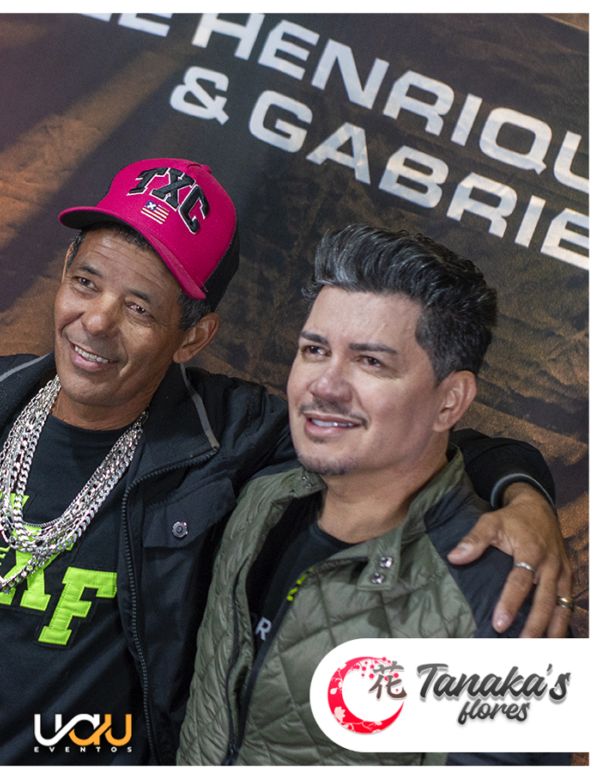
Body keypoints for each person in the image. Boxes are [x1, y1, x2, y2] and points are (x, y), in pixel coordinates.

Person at [0, 160, 570, 766]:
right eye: (85, 281)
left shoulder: (232, 443)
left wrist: (525, 495)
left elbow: (407, 437)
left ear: (193, 336)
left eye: (140, 307)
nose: (96, 321)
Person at [176, 225, 572, 765]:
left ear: (450, 401)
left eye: (371, 362)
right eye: (314, 350)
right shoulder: (260, 498)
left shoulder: (501, 597)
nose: (325, 385)